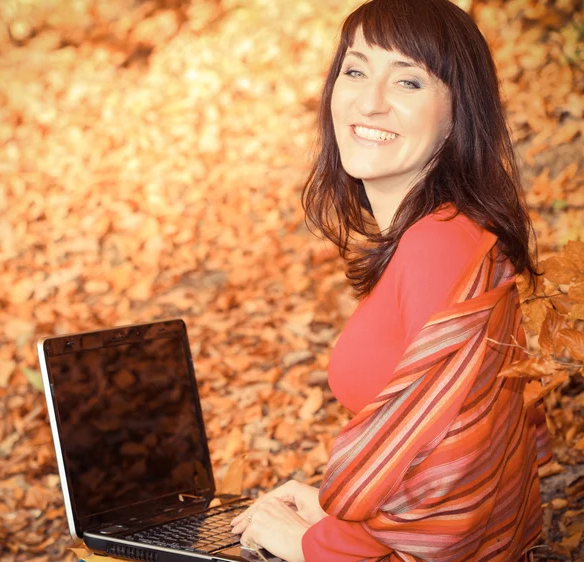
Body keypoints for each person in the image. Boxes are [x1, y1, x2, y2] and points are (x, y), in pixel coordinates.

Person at [230, 0, 552, 560]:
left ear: (457, 115)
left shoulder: (439, 246)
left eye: (407, 81)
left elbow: (453, 492)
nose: (369, 102)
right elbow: (433, 446)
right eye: (355, 71)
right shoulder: (440, 233)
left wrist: (315, 546)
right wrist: (335, 513)